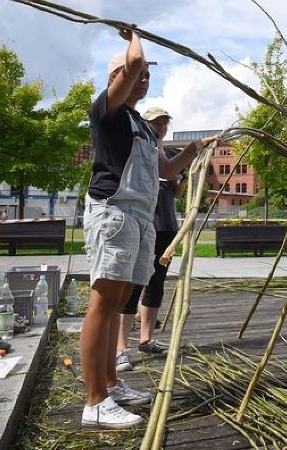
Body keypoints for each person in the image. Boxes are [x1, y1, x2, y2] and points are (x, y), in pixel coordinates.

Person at [80, 29, 213, 429]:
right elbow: (135, 60)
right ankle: (94, 401)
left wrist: (194, 149)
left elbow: (164, 170)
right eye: (137, 75)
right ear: (117, 78)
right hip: (114, 212)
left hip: (139, 214)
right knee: (103, 304)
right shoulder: (106, 111)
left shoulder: (138, 123)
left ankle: (111, 384)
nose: (144, 78)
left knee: (120, 300)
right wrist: (133, 34)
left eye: (147, 76)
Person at [114, 108, 213, 372]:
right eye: (156, 123)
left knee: (156, 282)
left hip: (166, 225)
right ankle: (121, 347)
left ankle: (146, 339)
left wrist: (189, 174)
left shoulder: (168, 154)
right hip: (143, 223)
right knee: (133, 284)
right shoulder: (138, 151)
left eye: (164, 123)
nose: (161, 127)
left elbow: (177, 188)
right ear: (146, 125)